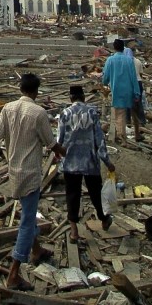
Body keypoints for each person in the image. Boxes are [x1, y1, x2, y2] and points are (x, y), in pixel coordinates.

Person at [0, 73, 65, 291]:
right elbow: (51, 144)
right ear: (36, 91)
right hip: (30, 174)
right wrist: (68, 152)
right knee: (27, 223)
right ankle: (13, 273)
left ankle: (37, 250)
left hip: (14, 172)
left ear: (21, 88)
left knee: (28, 213)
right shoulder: (38, 113)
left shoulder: (8, 108)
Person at [57, 85, 115, 242]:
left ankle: (74, 231)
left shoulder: (65, 113)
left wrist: (58, 156)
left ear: (71, 98)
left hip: (70, 162)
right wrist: (107, 161)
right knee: (96, 192)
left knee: (72, 195)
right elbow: (99, 139)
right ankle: (104, 219)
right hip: (90, 161)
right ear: (83, 97)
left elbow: (59, 139)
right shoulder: (92, 112)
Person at [102, 38, 140, 142]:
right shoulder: (129, 60)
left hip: (116, 90)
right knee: (129, 113)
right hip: (128, 90)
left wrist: (104, 83)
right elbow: (134, 77)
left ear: (114, 48)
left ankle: (122, 137)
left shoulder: (110, 60)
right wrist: (136, 92)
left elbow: (106, 77)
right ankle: (133, 133)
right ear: (123, 48)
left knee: (119, 114)